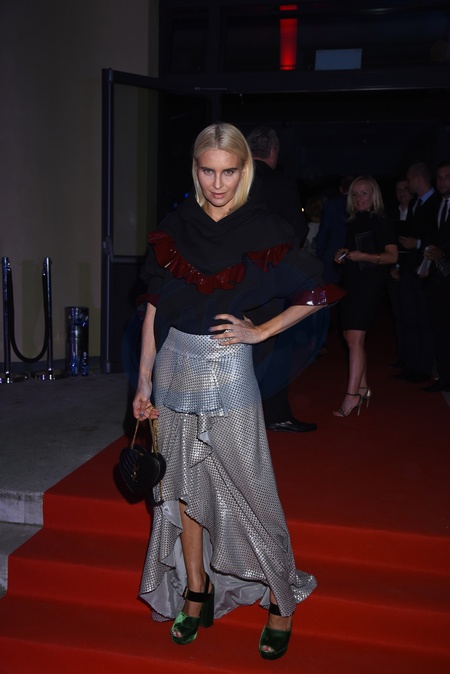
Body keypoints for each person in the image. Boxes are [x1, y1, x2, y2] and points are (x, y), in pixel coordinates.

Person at [132, 122, 338, 660]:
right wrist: (144, 378)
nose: (218, 183)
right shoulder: (175, 225)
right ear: (195, 170)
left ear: (245, 170)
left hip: (226, 368)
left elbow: (315, 290)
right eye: (208, 171)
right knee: (179, 489)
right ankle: (195, 589)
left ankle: (282, 599)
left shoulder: (263, 226)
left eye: (228, 172)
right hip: (172, 367)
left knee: (252, 487)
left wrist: (262, 331)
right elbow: (154, 308)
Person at [246, 125, 319, 433]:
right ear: (273, 152)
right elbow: (296, 230)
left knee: (240, 345)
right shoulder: (281, 182)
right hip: (273, 277)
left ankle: (238, 416)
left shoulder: (237, 179)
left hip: (234, 277)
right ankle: (275, 414)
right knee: (277, 344)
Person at [334, 176, 398, 417]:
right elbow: (354, 251)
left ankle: (351, 396)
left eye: (364, 193)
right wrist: (342, 254)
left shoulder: (380, 220)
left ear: (374, 196)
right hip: (352, 283)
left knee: (355, 338)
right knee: (350, 336)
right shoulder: (354, 221)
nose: (359, 198)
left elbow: (392, 256)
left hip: (369, 284)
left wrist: (364, 256)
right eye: (355, 194)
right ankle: (362, 388)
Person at [392, 161, 439, 383]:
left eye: (409, 180)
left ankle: (423, 367)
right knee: (410, 317)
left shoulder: (436, 202)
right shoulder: (416, 204)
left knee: (423, 319)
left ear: (418, 179)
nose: (408, 185)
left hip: (427, 271)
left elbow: (437, 238)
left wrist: (418, 244)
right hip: (411, 269)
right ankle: (412, 364)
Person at [421, 161, 450, 392]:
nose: (442, 181)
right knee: (440, 330)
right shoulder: (436, 206)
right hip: (438, 280)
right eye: (439, 177)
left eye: (447, 176)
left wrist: (444, 253)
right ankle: (444, 377)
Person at [386, 177, 413, 369]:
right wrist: (392, 267)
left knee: (412, 317)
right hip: (393, 271)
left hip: (411, 272)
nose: (402, 192)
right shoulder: (391, 214)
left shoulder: (418, 212)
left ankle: (413, 359)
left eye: (405, 188)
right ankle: (403, 356)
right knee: (399, 316)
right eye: (398, 189)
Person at [316, 175, 353, 284]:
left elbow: (323, 234)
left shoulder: (331, 205)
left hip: (331, 257)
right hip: (353, 257)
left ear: (341, 189)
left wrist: (321, 256)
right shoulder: (360, 205)